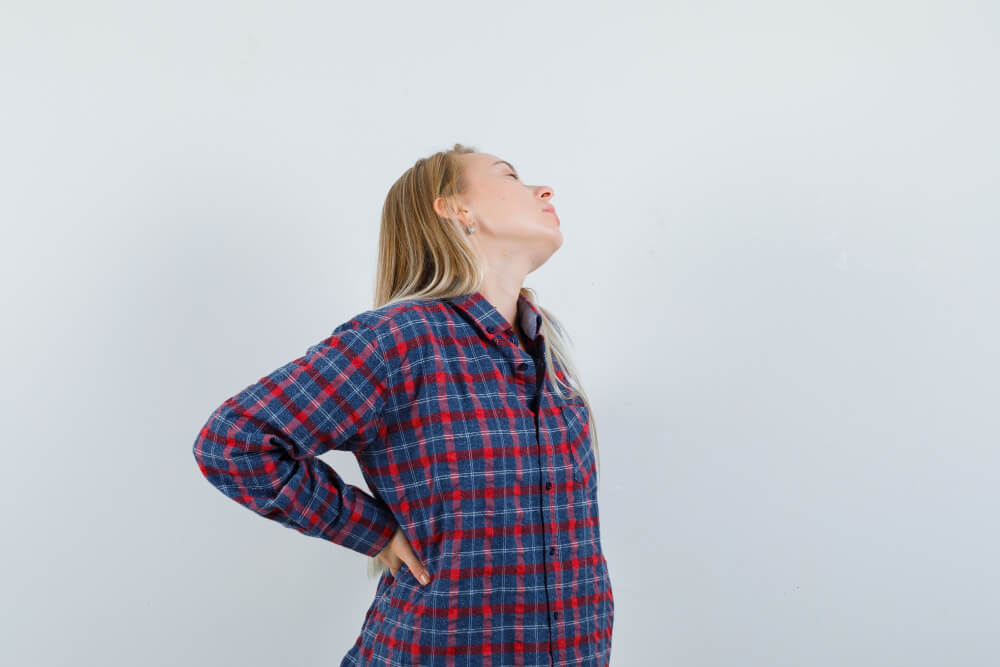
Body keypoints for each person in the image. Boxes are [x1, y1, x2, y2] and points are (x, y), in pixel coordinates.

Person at [192, 143, 614, 666]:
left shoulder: (549, 349)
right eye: (510, 176)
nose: (544, 190)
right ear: (456, 209)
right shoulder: (398, 340)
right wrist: (374, 531)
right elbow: (234, 442)